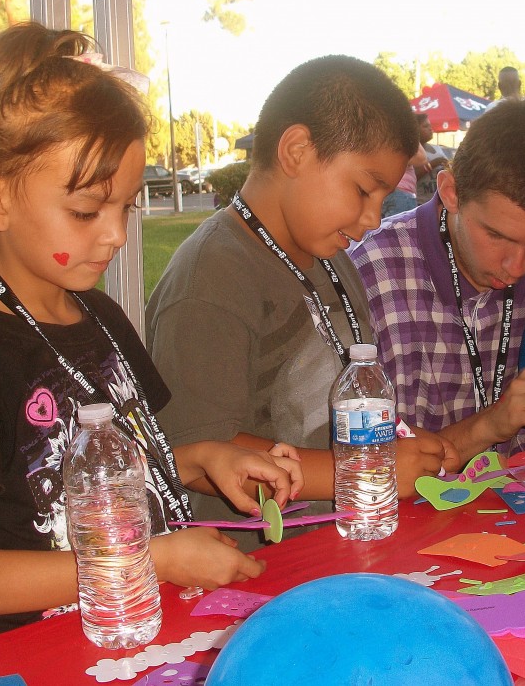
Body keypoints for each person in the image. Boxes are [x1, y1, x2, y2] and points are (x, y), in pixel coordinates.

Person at [0, 22, 301, 647]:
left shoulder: (99, 316)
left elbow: (135, 462)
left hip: (142, 633)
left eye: (127, 207)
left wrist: (207, 461)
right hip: (42, 653)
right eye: (87, 212)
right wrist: (155, 558)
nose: (115, 234)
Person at [147, 55, 460, 548]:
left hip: (340, 544)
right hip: (258, 574)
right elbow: (194, 454)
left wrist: (395, 447)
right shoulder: (211, 278)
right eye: (362, 190)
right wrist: (356, 473)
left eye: (383, 199)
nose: (373, 220)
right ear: (295, 151)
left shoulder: (329, 258)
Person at [351, 100, 525, 455]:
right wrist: (488, 426)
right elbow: (357, 460)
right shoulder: (371, 272)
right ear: (451, 192)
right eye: (498, 236)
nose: (516, 266)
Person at [415, 113, 452, 204]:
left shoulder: (437, 149)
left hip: (440, 201)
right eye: (425, 126)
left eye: (430, 126)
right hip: (421, 202)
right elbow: (413, 176)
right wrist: (432, 164)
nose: (430, 129)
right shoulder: (413, 152)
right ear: (415, 130)